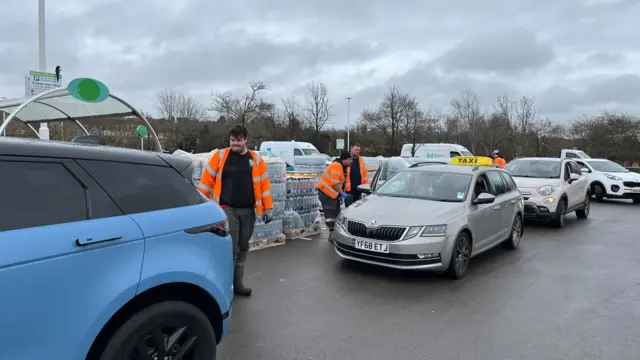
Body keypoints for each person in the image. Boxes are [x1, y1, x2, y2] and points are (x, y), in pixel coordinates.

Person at [197, 125, 273, 297]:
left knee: (243, 246)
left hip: (248, 211)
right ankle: (225, 286)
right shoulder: (221, 156)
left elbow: (264, 185)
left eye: (238, 140)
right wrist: (199, 205)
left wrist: (268, 208)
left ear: (246, 139)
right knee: (231, 248)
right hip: (226, 209)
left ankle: (238, 282)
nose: (235, 144)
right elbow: (206, 182)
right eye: (232, 140)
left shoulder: (256, 159)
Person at [317, 151, 353, 243]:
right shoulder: (337, 166)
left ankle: (333, 233)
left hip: (331, 193)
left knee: (335, 212)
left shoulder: (342, 167)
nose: (351, 161)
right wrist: (342, 194)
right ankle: (332, 234)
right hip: (326, 192)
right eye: (349, 159)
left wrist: (340, 194)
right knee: (331, 214)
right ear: (344, 159)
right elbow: (335, 184)